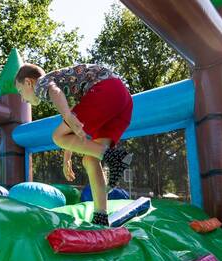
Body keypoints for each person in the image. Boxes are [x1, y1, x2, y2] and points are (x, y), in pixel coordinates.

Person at [14, 63, 133, 226]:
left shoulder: (42, 83)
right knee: (90, 159)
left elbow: (56, 95)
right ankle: (101, 216)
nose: (22, 99)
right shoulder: (61, 85)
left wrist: (68, 116)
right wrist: (67, 158)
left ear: (29, 82)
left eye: (20, 92)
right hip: (123, 100)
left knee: (57, 136)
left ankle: (114, 157)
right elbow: (72, 130)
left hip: (105, 90)